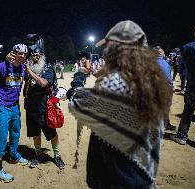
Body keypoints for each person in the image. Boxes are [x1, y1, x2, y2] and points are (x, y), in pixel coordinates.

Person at [67, 20, 171, 188]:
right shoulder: (152, 84)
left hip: (115, 179)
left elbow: (76, 103)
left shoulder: (115, 86)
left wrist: (79, 76)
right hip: (141, 177)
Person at [9, 45, 65, 169]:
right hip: (31, 107)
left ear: (42, 56)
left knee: (51, 132)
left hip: (45, 107)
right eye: (34, 54)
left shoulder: (48, 68)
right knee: (35, 132)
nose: (36, 56)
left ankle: (57, 155)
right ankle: (38, 154)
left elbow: (44, 83)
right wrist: (10, 59)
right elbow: (14, 73)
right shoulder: (27, 69)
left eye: (38, 54)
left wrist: (29, 71)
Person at [0, 44, 29, 183]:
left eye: (25, 54)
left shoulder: (23, 67)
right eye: (20, 53)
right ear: (13, 53)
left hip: (15, 107)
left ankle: (13, 155)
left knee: (15, 132)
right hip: (2, 107)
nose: (23, 56)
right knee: (1, 136)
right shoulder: (2, 66)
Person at [170, 24, 195, 150]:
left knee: (188, 110)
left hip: (193, 84)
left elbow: (183, 64)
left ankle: (182, 136)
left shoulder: (187, 47)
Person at [153, 46, 176, 131]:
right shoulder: (164, 63)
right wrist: (171, 87)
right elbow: (167, 78)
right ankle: (164, 124)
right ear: (160, 53)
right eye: (162, 51)